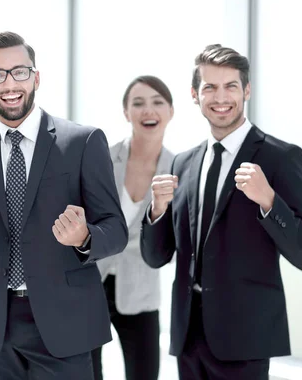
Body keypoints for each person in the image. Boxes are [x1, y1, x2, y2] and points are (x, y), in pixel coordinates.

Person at [0, 31, 128, 380]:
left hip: (63, 325)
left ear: (36, 76)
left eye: (20, 71)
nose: (10, 83)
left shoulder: (82, 142)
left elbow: (116, 230)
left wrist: (85, 236)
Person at [141, 44, 302, 380]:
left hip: (246, 339)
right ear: (195, 94)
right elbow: (156, 257)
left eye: (231, 86)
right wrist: (156, 211)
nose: (220, 97)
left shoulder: (280, 158)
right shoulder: (184, 163)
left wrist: (269, 201)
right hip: (188, 336)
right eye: (210, 87)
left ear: (247, 90)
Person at [92, 75, 174, 380]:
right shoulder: (100, 157)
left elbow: (175, 244)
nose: (147, 111)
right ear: (126, 112)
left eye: (157, 102)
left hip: (140, 292)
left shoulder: (179, 169)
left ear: (171, 111)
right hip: (91, 284)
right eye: (137, 103)